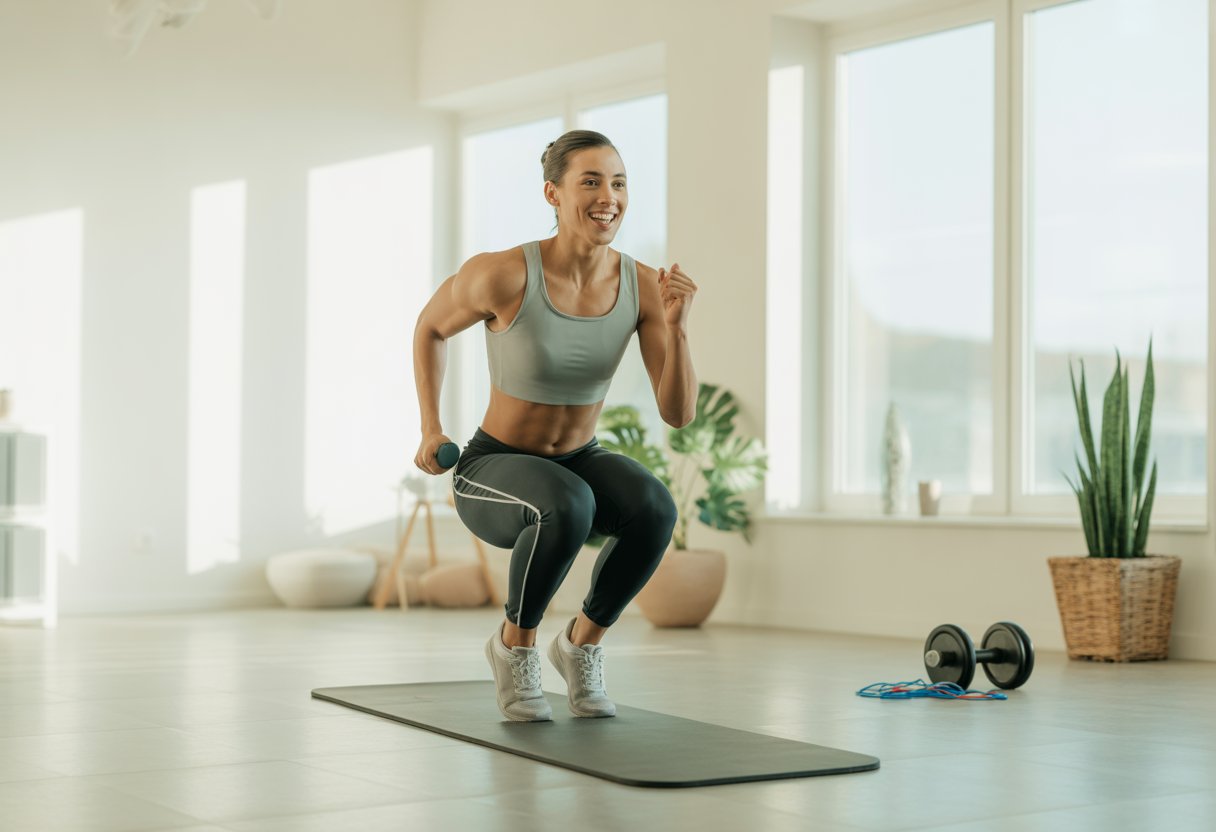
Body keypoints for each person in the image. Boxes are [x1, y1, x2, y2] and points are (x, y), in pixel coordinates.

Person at [411, 129, 698, 722]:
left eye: (618, 183)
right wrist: (431, 428)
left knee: (655, 509)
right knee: (568, 503)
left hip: (578, 457)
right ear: (553, 193)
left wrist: (677, 327)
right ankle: (514, 650)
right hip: (492, 468)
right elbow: (429, 328)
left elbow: (677, 414)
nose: (608, 197)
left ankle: (579, 647)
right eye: (590, 181)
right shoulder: (504, 274)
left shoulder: (643, 285)